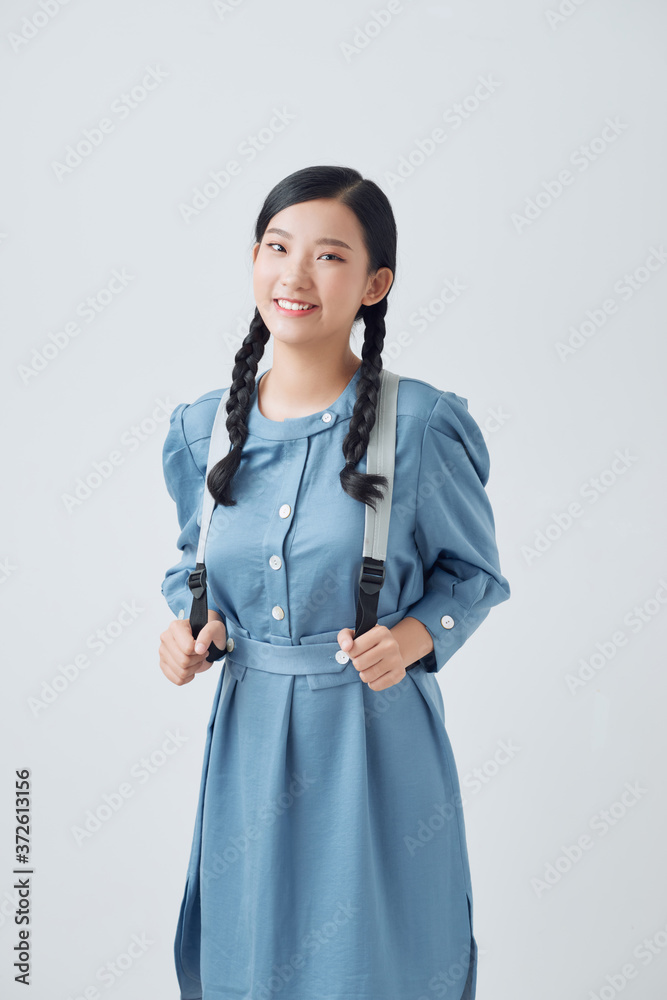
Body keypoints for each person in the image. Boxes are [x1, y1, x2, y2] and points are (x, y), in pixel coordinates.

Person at [158, 164, 511, 1000]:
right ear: (253, 261)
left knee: (379, 964)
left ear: (373, 284)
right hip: (247, 744)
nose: (294, 274)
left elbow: (474, 576)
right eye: (277, 247)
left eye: (327, 256)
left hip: (373, 738)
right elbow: (192, 563)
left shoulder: (419, 423)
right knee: (249, 957)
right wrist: (189, 627)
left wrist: (414, 638)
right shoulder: (201, 428)